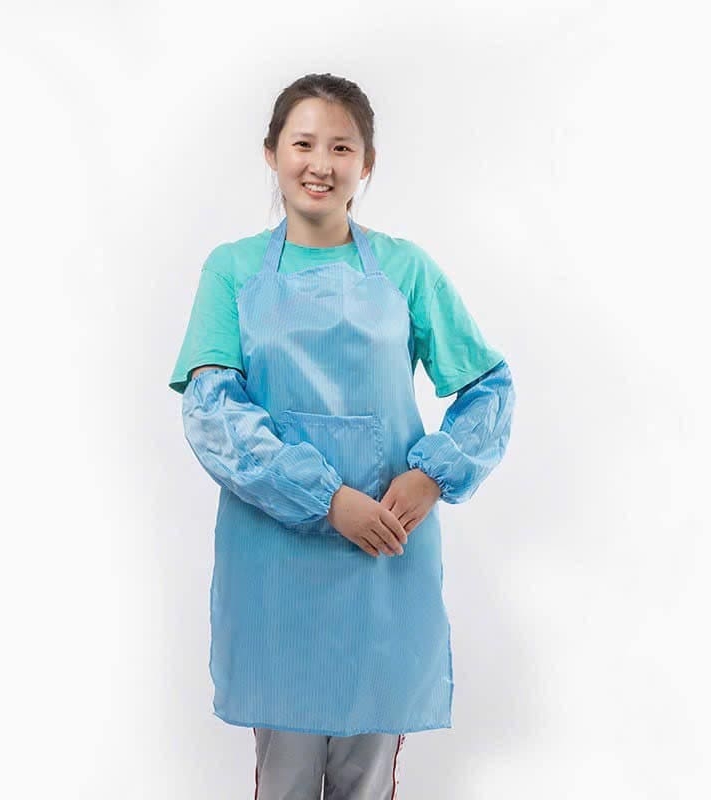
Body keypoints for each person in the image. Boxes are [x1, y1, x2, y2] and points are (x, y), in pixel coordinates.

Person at [168, 73, 516, 800]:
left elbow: (488, 386)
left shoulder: (405, 269)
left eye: (341, 147)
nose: (320, 164)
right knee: (285, 778)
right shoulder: (232, 271)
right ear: (271, 153)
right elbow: (212, 410)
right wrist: (326, 500)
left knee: (367, 781)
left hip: (383, 559)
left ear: (367, 163)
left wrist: (432, 474)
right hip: (275, 570)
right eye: (303, 144)